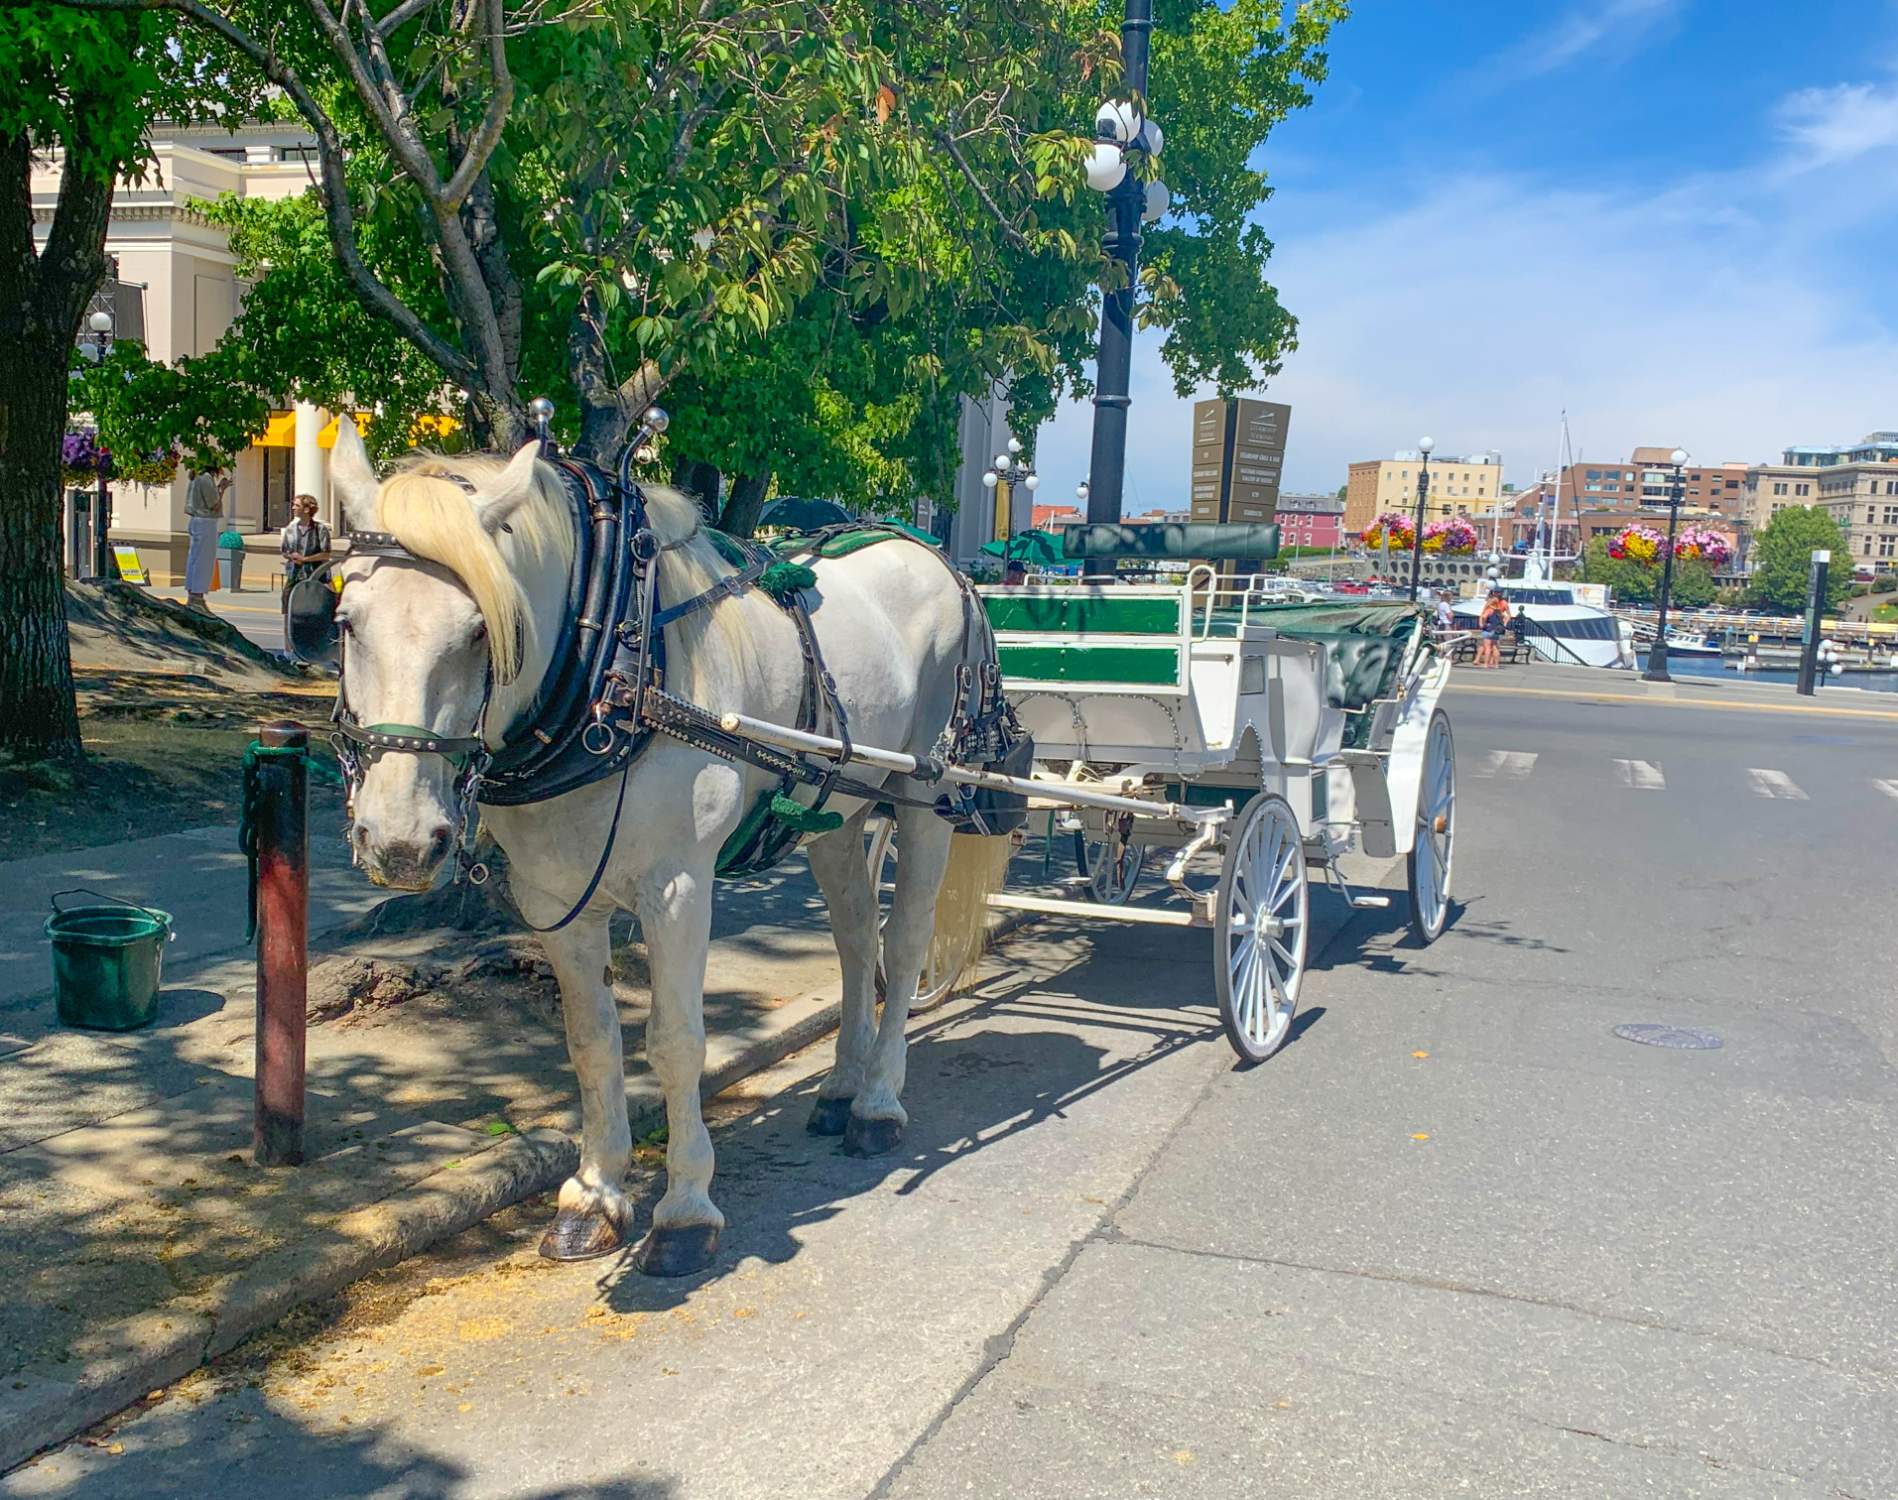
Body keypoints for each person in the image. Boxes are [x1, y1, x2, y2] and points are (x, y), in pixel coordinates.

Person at [183, 459, 229, 611]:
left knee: (194, 557)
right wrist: (221, 489)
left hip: (196, 520)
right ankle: (197, 595)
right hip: (206, 521)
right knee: (204, 559)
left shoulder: (196, 477)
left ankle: (192, 593)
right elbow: (214, 504)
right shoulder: (206, 478)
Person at [280, 494, 332, 598]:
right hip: (295, 575)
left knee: (315, 604)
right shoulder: (290, 529)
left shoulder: (320, 529)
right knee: (287, 600)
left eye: (297, 505)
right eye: (293, 505)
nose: (293, 507)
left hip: (316, 576)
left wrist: (305, 559)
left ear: (307, 510)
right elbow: (284, 551)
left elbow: (326, 554)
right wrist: (292, 557)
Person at [1477, 590, 1510, 669]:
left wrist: (1484, 623)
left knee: (1487, 647)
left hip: (1488, 629)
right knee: (1495, 647)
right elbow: (1506, 616)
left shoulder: (1489, 610)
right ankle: (1496, 664)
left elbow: (1484, 616)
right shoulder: (1499, 611)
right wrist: (1504, 624)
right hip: (1496, 630)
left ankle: (1486, 664)